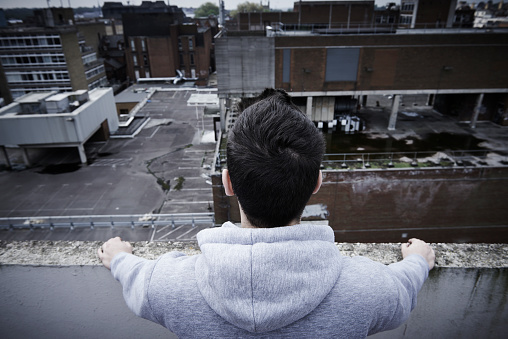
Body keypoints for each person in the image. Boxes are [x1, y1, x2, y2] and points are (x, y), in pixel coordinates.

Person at [98, 88, 435, 338]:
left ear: (228, 183)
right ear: (316, 182)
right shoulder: (368, 289)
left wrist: (119, 258)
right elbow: (401, 290)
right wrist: (418, 260)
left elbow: (137, 280)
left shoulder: (169, 285)